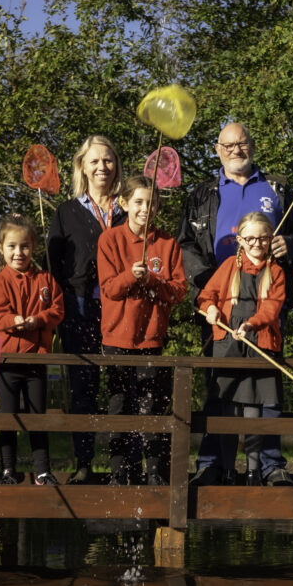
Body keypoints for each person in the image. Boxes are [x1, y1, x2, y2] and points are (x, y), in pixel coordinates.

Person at [178, 122, 293, 486]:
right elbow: (186, 244)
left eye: (243, 143)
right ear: (218, 149)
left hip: (269, 298)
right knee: (220, 387)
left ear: (253, 146)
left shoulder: (279, 187)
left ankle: (268, 465)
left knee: (265, 388)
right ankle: (214, 464)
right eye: (229, 145)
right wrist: (210, 288)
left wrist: (291, 246)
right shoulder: (202, 193)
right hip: (222, 302)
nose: (237, 150)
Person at [97, 174, 187, 485]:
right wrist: (129, 276)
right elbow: (109, 288)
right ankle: (119, 471)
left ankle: (153, 471)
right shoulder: (110, 239)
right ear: (124, 203)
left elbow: (178, 291)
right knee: (119, 406)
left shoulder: (167, 243)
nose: (144, 209)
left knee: (152, 407)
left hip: (151, 339)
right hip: (117, 336)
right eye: (138, 202)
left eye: (150, 203)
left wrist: (151, 280)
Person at [48, 135, 126, 484]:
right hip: (79, 306)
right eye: (94, 161)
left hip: (123, 308)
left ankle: (122, 464)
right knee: (84, 386)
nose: (101, 167)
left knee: (122, 384)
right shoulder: (66, 212)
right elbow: (54, 266)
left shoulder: (129, 208)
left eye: (107, 160)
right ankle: (83, 462)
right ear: (82, 165)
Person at [196, 212, 286, 484]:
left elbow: (271, 310)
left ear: (271, 239)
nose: (256, 243)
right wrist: (210, 308)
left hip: (259, 342)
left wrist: (250, 325)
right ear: (239, 240)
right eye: (250, 238)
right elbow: (206, 295)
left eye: (263, 238)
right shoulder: (228, 267)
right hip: (228, 344)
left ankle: (253, 470)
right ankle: (226, 470)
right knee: (228, 410)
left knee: (255, 411)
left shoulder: (277, 272)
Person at [0, 214, 65, 486]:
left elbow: (57, 310)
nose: (18, 253)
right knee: (7, 418)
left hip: (36, 360)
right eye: (12, 247)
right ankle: (8, 470)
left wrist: (39, 320)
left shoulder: (45, 279)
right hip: (7, 362)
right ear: (1, 248)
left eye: (24, 247)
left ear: (33, 247)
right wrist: (13, 321)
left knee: (37, 416)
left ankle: (42, 471)